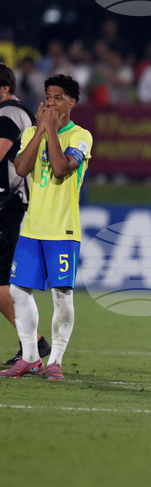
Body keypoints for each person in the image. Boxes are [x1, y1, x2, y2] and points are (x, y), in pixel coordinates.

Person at [0, 74, 92, 380]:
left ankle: (56, 361)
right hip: (32, 227)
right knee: (18, 291)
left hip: (63, 230)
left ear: (72, 102)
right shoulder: (31, 133)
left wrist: (51, 130)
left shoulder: (81, 136)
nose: (50, 103)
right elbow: (21, 168)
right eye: (48, 97)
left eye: (57, 98)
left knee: (61, 295)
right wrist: (40, 130)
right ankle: (29, 357)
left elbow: (61, 168)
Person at [0, 64, 50, 365]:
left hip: (9, 204)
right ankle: (33, 344)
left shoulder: (9, 113)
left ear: (4, 87)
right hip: (9, 204)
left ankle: (34, 344)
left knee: (3, 283)